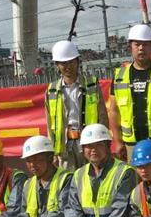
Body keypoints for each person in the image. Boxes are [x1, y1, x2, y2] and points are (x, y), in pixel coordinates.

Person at [109, 24, 151, 167]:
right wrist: (118, 141)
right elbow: (114, 111)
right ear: (130, 47)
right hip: (132, 143)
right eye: (137, 44)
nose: (141, 48)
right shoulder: (119, 76)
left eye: (145, 44)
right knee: (137, 178)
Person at [45, 40, 108, 169]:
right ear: (57, 65)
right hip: (65, 147)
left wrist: (104, 143)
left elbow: (102, 116)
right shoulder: (52, 91)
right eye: (63, 63)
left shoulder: (91, 85)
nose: (68, 66)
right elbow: (49, 124)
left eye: (71, 62)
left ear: (78, 61)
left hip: (90, 143)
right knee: (68, 179)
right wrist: (53, 152)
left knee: (92, 176)